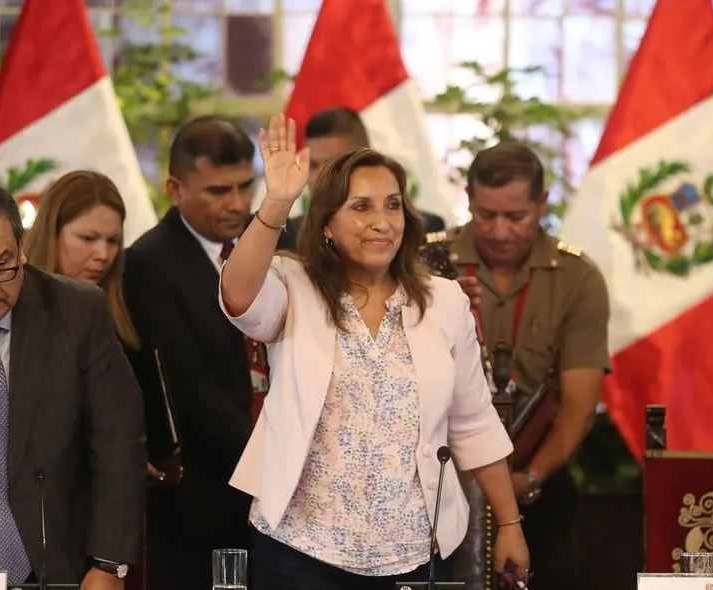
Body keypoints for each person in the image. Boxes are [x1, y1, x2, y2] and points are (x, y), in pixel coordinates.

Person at [219, 113, 530, 589]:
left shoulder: (444, 301)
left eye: (392, 205)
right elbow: (237, 298)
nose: (382, 222)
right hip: (301, 550)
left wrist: (509, 523)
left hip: (416, 553)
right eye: (361, 207)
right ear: (326, 224)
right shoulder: (293, 285)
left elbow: (474, 422)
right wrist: (277, 203)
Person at [0, 178, 146, 588]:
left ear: (21, 248)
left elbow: (118, 444)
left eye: (1, 265)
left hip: (57, 563)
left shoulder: (77, 313)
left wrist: (110, 564)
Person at [443, 141, 610, 590]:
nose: (500, 232)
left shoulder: (577, 278)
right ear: (469, 200)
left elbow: (579, 403)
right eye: (485, 215)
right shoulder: (430, 264)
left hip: (535, 475)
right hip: (441, 482)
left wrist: (530, 478)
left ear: (542, 204)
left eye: (515, 217)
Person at [122, 116, 258, 590]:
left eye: (246, 186)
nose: (237, 203)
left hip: (290, 502)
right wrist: (273, 465)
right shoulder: (147, 264)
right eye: (219, 190)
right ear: (175, 189)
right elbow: (189, 390)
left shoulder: (275, 243)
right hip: (204, 504)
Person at [23, 170, 182, 487]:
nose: (103, 255)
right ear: (52, 232)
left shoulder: (128, 309)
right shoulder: (17, 315)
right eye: (87, 239)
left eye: (113, 241)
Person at [277, 106, 446, 251]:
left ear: (365, 159)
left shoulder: (423, 230)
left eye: (334, 166)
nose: (320, 178)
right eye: (313, 165)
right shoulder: (287, 235)